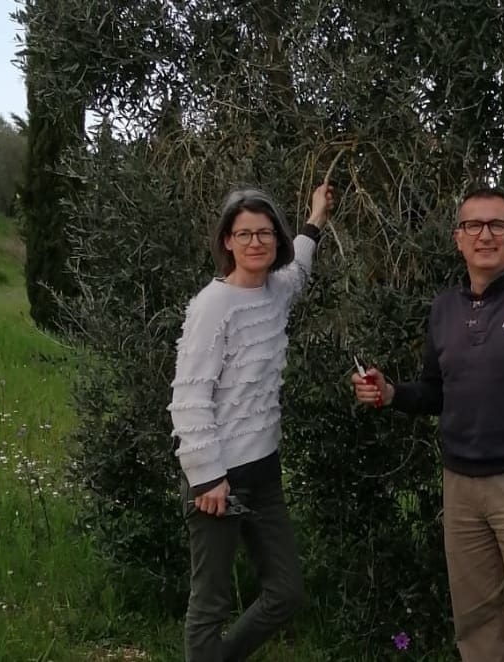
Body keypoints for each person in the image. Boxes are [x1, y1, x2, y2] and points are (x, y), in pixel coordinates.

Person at [352, 187, 504, 662]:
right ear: (458, 238)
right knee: (478, 627)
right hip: (461, 490)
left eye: (497, 225)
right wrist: (392, 393)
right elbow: (437, 391)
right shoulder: (444, 309)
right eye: (473, 226)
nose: (486, 235)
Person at [169, 182, 333, 662]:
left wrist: (316, 217)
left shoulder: (275, 291)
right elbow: (190, 397)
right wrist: (209, 478)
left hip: (264, 472)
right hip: (218, 479)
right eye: (245, 234)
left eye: (265, 233)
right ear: (227, 241)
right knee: (212, 601)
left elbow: (299, 267)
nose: (256, 242)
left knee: (286, 592)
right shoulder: (212, 306)